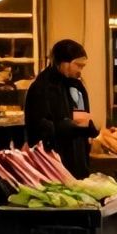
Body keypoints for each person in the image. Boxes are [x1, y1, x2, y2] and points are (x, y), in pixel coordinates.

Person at [24, 38, 97, 178]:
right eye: (78, 65)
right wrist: (66, 126)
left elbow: (82, 117)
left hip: (79, 157)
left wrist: (90, 130)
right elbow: (38, 127)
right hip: (56, 159)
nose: (80, 71)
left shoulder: (77, 86)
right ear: (63, 63)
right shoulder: (42, 87)